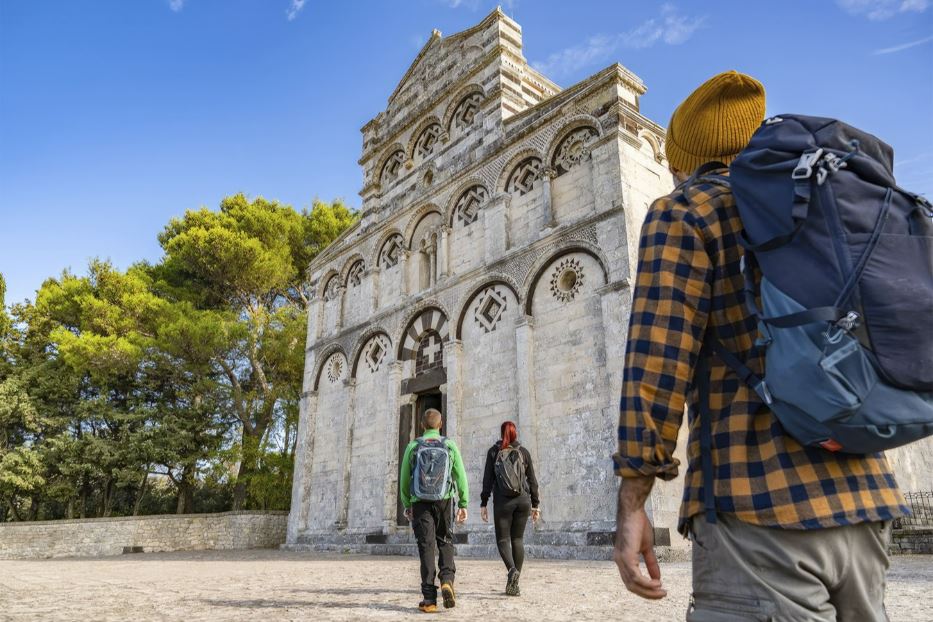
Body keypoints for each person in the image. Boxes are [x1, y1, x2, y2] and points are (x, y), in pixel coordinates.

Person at [612, 70, 907, 620]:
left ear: (682, 157)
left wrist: (633, 503)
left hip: (757, 506)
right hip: (865, 502)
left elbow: (657, 363)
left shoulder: (686, 211)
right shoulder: (822, 209)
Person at [399, 408, 469, 613]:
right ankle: (447, 580)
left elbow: (404, 479)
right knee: (445, 541)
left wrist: (407, 504)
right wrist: (463, 503)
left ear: (422, 425)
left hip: (420, 501)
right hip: (444, 500)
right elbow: (460, 476)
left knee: (426, 546)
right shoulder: (448, 445)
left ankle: (429, 599)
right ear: (441, 424)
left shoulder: (413, 446)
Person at [480, 420, 540, 597]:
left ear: (501, 433)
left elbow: (487, 481)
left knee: (503, 540)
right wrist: (536, 505)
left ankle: (512, 570)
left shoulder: (494, 452)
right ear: (515, 434)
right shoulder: (523, 452)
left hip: (503, 503)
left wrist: (484, 503)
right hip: (523, 501)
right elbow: (533, 481)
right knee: (518, 539)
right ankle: (514, 584)